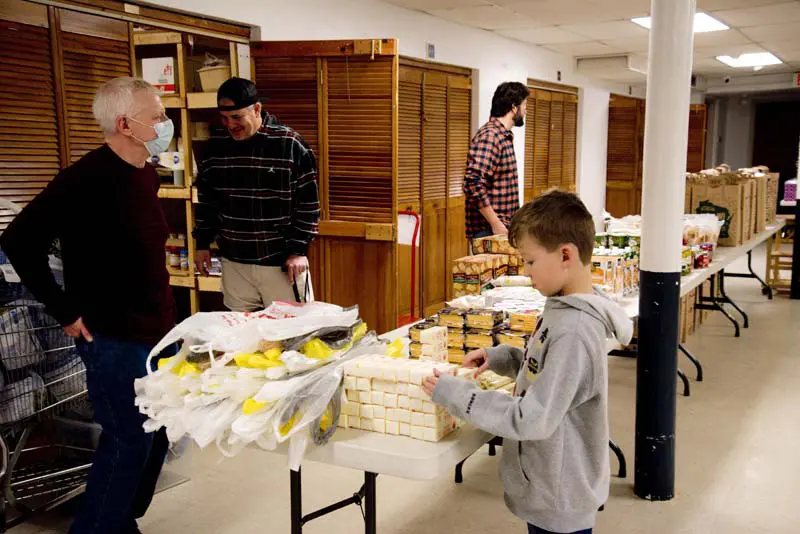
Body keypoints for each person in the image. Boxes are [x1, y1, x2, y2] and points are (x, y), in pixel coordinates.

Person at [0, 77, 177, 534]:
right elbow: (19, 242)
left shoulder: (144, 172)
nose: (164, 122)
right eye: (156, 115)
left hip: (157, 330)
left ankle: (118, 520)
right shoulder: (84, 179)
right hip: (112, 336)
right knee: (128, 440)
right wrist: (65, 311)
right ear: (125, 123)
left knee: (158, 433)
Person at [423, 191, 633, 534]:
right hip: (550, 488)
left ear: (566, 255)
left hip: (560, 500)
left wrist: (459, 396)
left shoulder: (575, 331)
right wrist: (504, 357)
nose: (525, 270)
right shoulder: (564, 305)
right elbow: (548, 371)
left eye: (530, 261)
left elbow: (532, 419)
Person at [193, 77, 321, 311]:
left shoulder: (289, 144)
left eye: (237, 117)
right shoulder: (214, 149)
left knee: (292, 337)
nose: (231, 125)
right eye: (224, 118)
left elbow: (309, 205)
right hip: (234, 264)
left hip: (282, 265)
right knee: (242, 340)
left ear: (257, 109)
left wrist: (298, 251)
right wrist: (202, 243)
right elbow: (207, 202)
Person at [463, 81, 529, 244]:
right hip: (490, 231)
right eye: (524, 105)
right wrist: (495, 223)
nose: (526, 110)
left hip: (501, 229)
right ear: (514, 107)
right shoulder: (490, 136)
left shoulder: (503, 136)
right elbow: (473, 183)